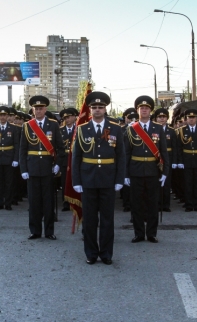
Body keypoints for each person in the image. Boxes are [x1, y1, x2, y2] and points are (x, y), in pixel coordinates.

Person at [72, 91, 125, 265]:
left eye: (100, 107)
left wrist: (119, 179)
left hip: (108, 179)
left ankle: (106, 253)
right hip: (88, 179)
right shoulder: (81, 129)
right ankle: (91, 253)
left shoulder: (115, 128)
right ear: (90, 109)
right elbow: (76, 157)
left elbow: (121, 156)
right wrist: (77, 181)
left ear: (105, 109)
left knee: (107, 219)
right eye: (94, 107)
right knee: (89, 219)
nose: (97, 110)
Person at [124, 96, 169, 243]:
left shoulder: (158, 128)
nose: (144, 110)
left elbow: (163, 152)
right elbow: (126, 153)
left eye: (147, 108)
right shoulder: (131, 129)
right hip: (135, 171)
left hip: (153, 171)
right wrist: (126, 174)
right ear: (137, 110)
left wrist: (165, 172)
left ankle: (151, 233)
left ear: (150, 111)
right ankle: (138, 233)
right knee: (136, 204)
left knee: (152, 203)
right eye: (141, 108)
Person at [19, 95, 65, 240]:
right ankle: (35, 231)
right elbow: (22, 149)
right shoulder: (27, 126)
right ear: (32, 110)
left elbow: (60, 148)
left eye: (41, 108)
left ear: (45, 109)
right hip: (32, 168)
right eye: (36, 109)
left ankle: (49, 231)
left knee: (48, 201)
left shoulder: (53, 125)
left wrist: (58, 165)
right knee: (34, 202)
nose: (38, 111)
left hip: (48, 168)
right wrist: (24, 169)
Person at [177, 109, 197, 212]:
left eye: (193, 117)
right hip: (186, 159)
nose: (191, 119)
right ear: (186, 118)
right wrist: (180, 161)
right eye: (189, 117)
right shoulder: (182, 130)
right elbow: (179, 148)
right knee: (187, 183)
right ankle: (188, 204)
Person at [0, 106, 20, 210]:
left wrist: (16, 159)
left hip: (9, 158)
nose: (2, 117)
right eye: (0, 115)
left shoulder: (13, 128)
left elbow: (16, 144)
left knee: (9, 182)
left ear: (7, 116)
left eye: (4, 115)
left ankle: (8, 203)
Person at [154, 108, 177, 212]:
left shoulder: (171, 131)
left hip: (168, 158)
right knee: (156, 182)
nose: (161, 119)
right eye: (159, 117)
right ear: (156, 118)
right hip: (156, 158)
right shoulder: (153, 130)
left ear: (167, 118)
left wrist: (175, 161)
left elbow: (175, 147)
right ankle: (157, 204)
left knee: (167, 182)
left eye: (163, 117)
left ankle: (166, 205)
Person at [59, 108, 77, 211]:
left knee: (75, 181)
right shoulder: (60, 131)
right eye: (65, 117)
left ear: (74, 117)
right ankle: (65, 202)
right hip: (65, 159)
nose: (67, 119)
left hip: (75, 159)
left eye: (69, 117)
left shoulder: (79, 129)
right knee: (64, 182)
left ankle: (75, 202)